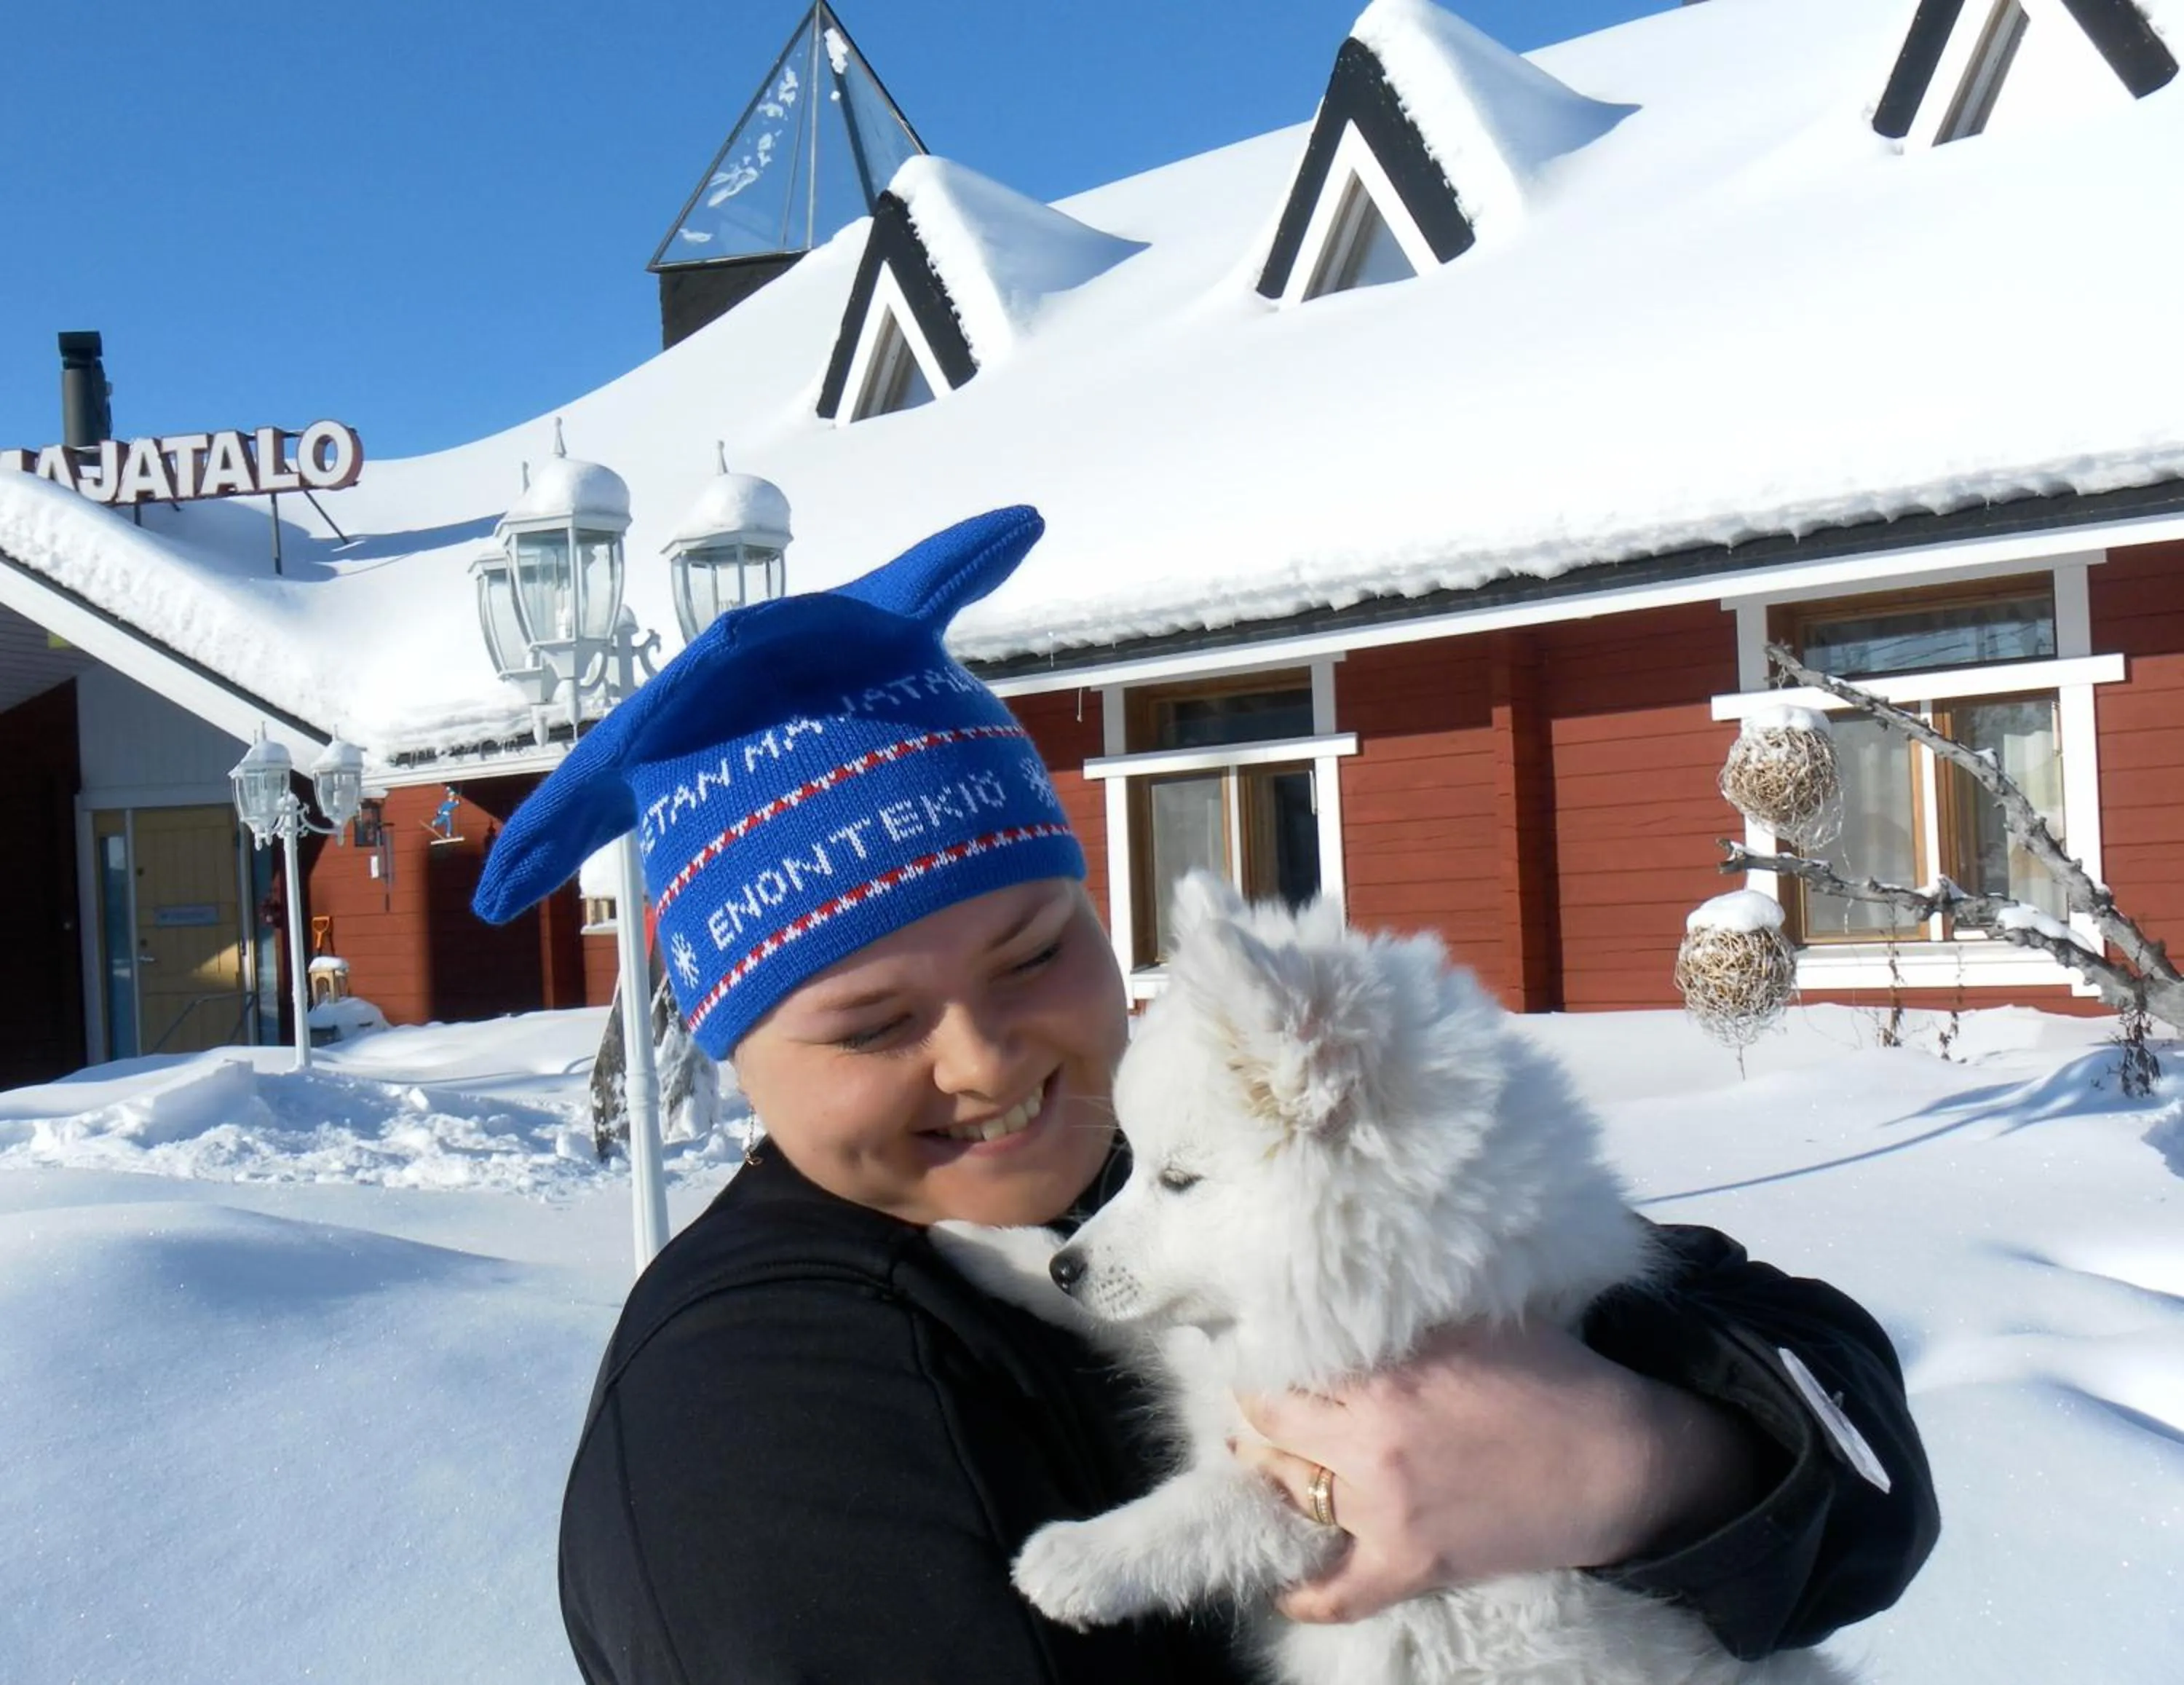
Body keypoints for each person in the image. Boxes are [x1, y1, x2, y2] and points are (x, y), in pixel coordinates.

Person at [475, 507, 1939, 1685]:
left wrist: (1646, 1462)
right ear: (735, 1050)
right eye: (872, 1021)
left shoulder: (1256, 1168)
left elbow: (1866, 1470)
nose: (985, 1056)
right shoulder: (763, 1418)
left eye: (1036, 948)